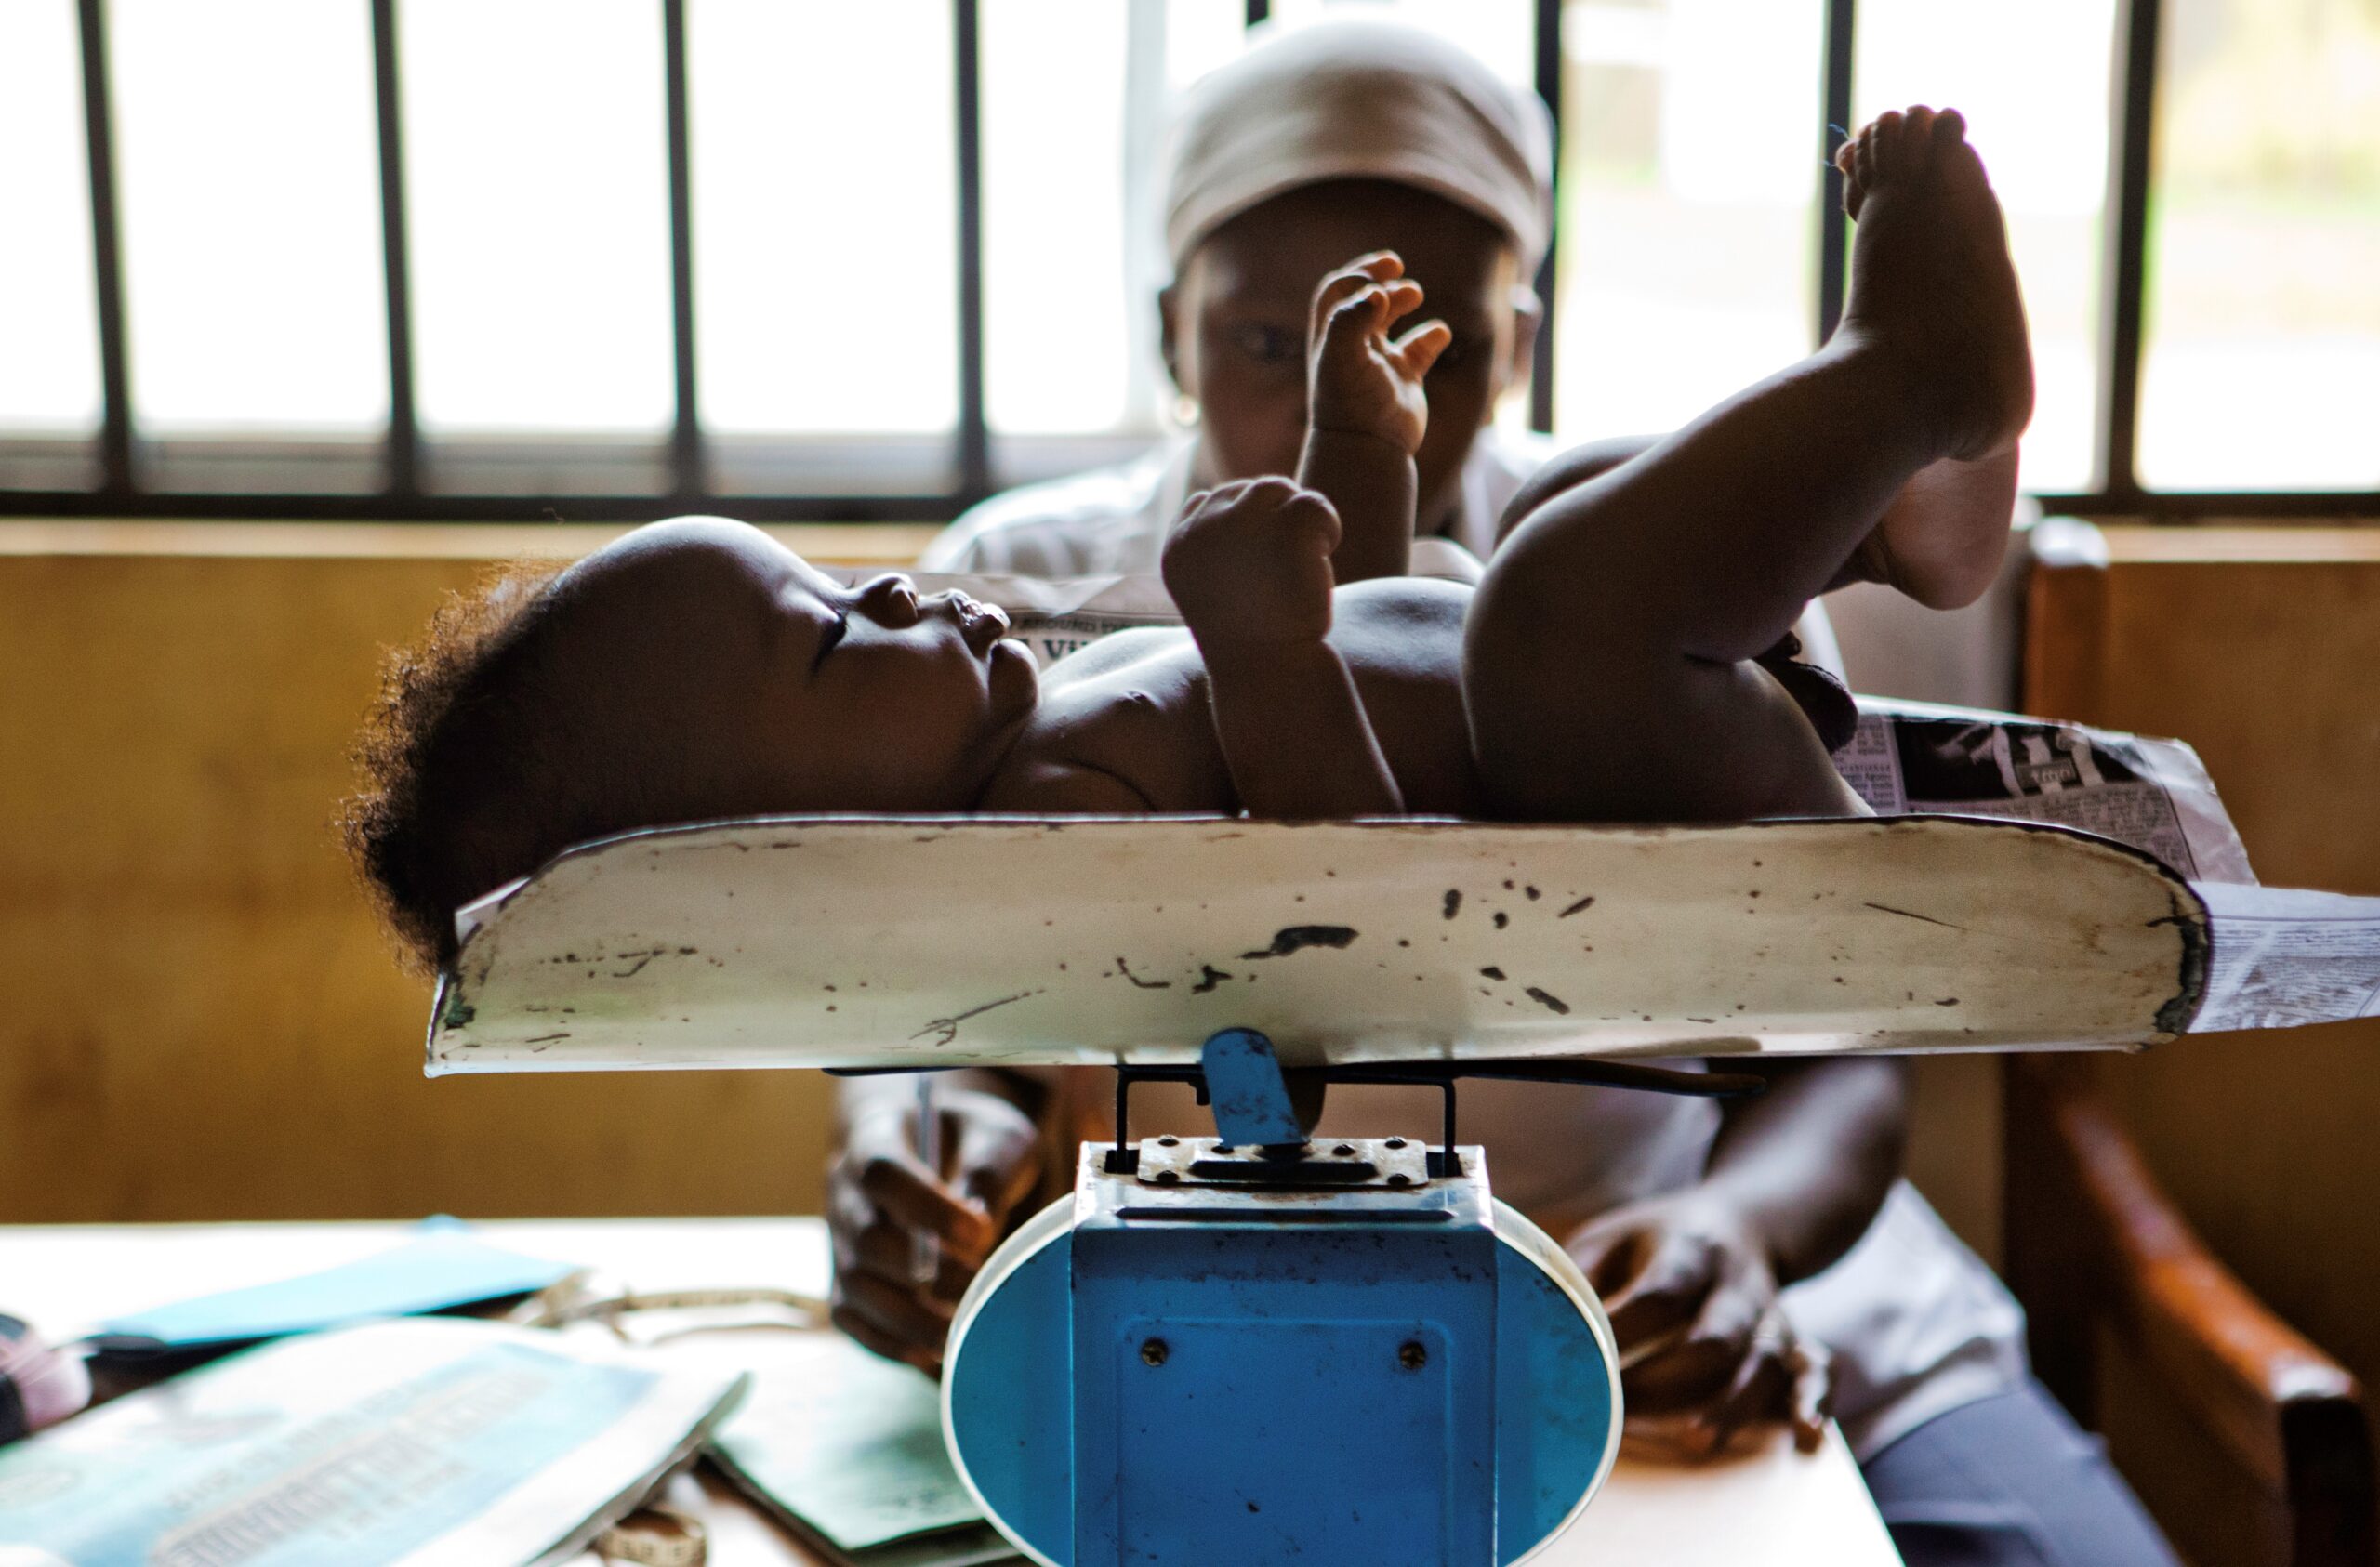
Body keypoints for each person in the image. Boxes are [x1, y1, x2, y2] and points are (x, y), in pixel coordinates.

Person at [347, 109, 2173, 1566]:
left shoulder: (1037, 681)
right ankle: (1909, 381)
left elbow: (1387, 660)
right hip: (1620, 830)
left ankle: (1905, 492)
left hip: (1741, 1137)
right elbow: (1353, 909)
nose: (905, 585)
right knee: (1549, 615)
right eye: (834, 628)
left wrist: (1343, 479)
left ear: (1515, 333)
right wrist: (1262, 639)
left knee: (1540, 589)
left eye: (848, 580)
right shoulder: (1038, 784)